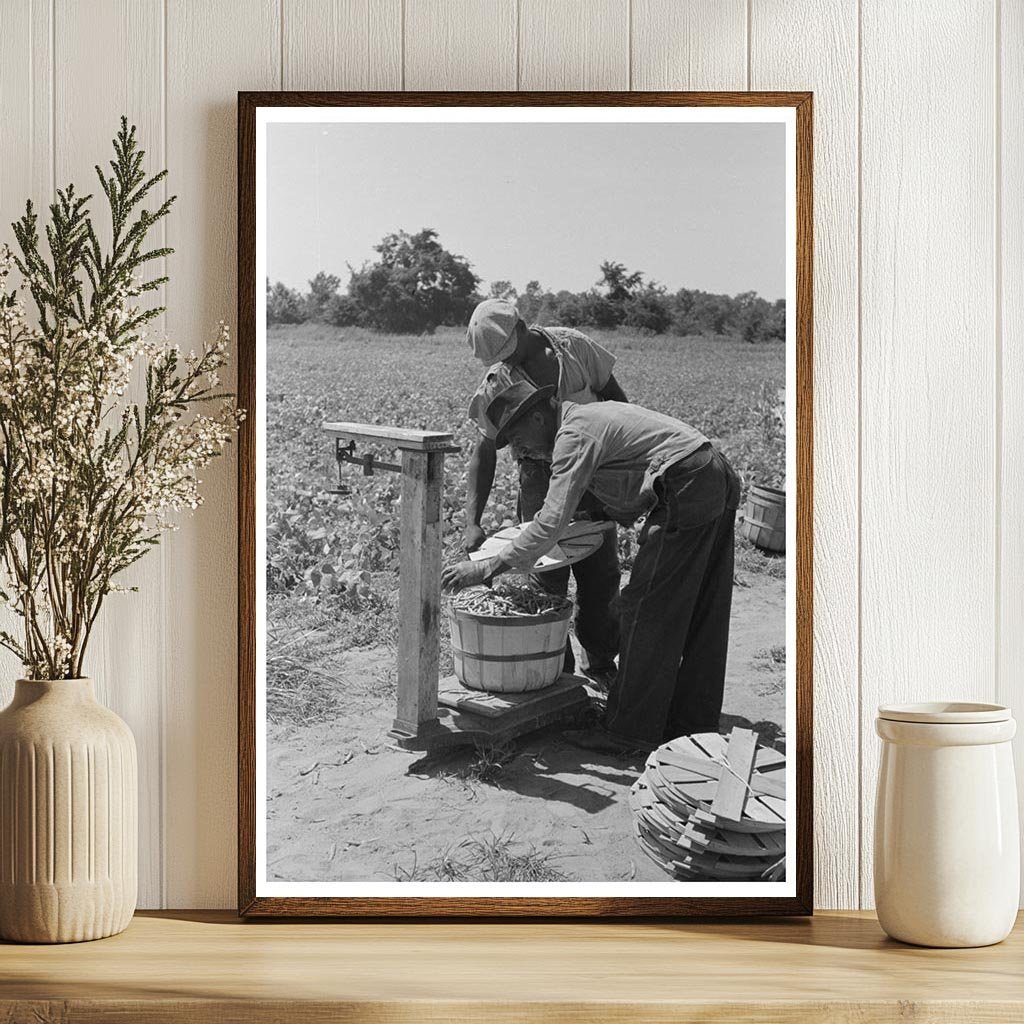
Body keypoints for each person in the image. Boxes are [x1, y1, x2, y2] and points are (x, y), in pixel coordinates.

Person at [441, 378, 741, 751]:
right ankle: (691, 723)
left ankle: (627, 731)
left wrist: (487, 568)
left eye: (517, 440)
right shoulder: (585, 418)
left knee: (642, 609)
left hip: (688, 482)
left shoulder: (573, 436)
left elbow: (549, 524)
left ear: (537, 418)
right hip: (713, 472)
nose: (518, 453)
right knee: (701, 607)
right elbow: (628, 486)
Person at [464, 298, 627, 683]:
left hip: (594, 471)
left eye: (510, 352)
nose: (508, 363)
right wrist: (472, 521)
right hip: (538, 479)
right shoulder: (497, 382)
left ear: (521, 327)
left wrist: (623, 474)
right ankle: (559, 675)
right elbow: (484, 451)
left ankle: (602, 664)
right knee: (545, 578)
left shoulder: (574, 347)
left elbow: (618, 401)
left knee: (601, 577)